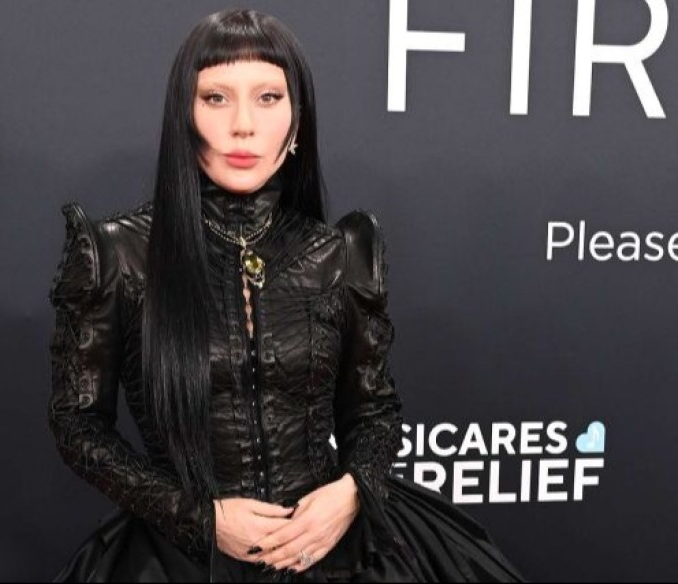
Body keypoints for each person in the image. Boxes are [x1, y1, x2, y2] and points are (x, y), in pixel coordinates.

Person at [47, 8, 524, 583]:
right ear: (183, 116)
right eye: (216, 98)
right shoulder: (117, 254)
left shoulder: (340, 253)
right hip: (179, 557)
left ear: (297, 121)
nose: (243, 125)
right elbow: (78, 424)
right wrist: (199, 518)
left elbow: (372, 412)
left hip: (334, 547)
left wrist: (352, 492)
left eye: (269, 98)